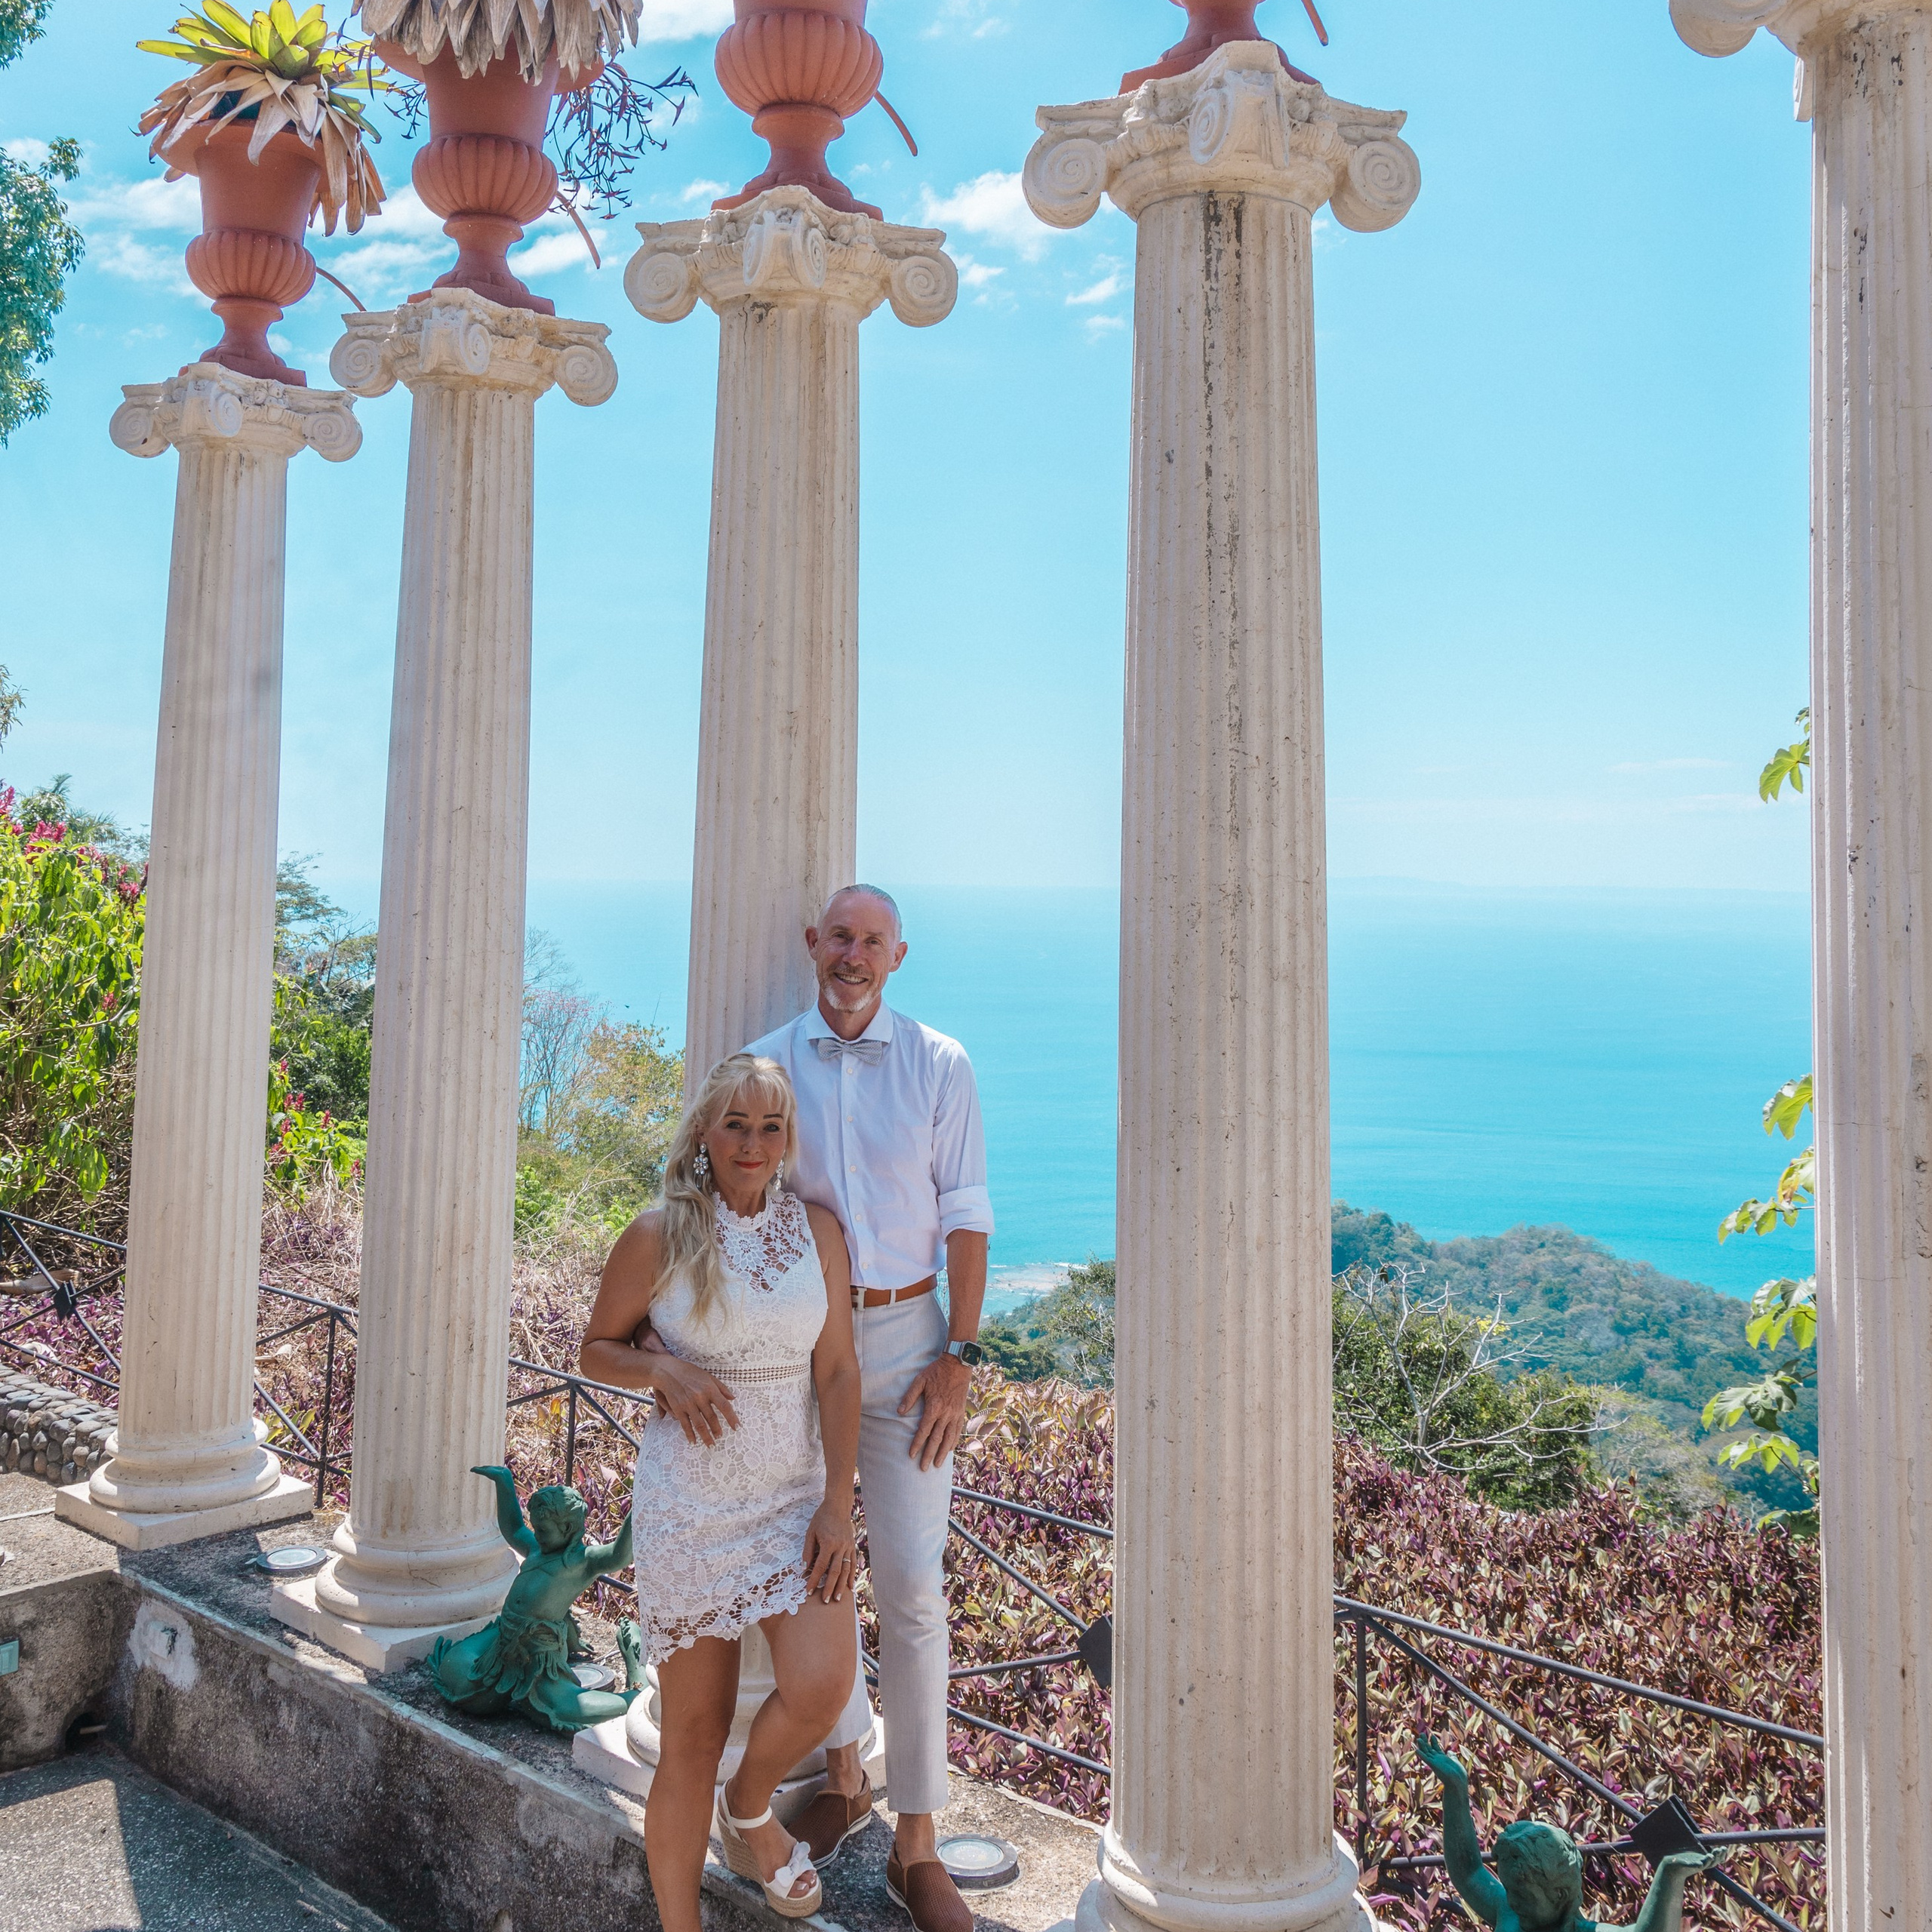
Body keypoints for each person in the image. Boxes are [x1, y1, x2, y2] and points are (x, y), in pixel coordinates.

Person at [639, 885, 992, 1932]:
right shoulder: (766, 1061)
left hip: (911, 1339)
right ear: (813, 945)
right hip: (797, 1353)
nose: (854, 954)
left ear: (898, 957)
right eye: (839, 936)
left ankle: (917, 1843)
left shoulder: (941, 1063)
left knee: (913, 1589)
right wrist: (666, 1341)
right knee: (814, 1566)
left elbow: (968, 1215)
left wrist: (960, 1358)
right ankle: (846, 1775)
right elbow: (715, 1198)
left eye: (872, 941)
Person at [581, 1055, 862, 1931]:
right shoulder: (658, 1232)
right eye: (735, 1124)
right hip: (692, 1506)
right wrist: (660, 1365)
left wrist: (837, 1504)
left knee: (821, 1685)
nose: (752, 1143)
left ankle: (749, 1809)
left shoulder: (816, 1229)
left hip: (794, 1501)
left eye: (769, 1127)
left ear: (787, 1142)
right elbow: (595, 1349)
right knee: (691, 1739)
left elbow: (841, 1371)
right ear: (705, 1130)